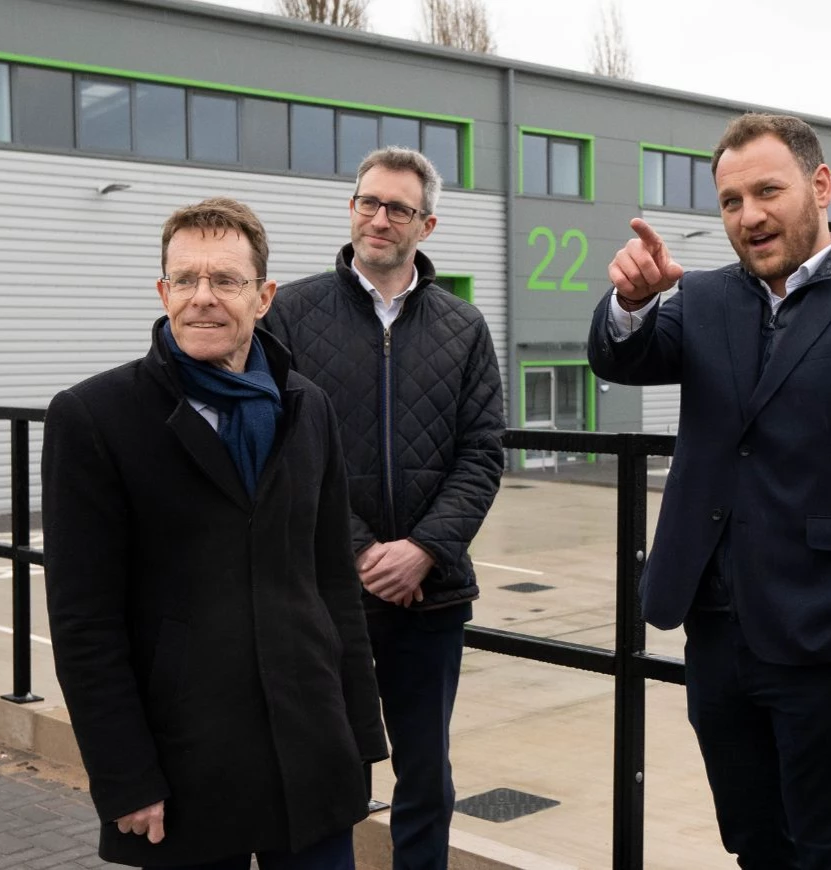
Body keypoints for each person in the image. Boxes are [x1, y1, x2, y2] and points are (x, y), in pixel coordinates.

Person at [588, 112, 831, 869]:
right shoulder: (708, 298)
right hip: (716, 635)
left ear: (820, 186)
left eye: (767, 191)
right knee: (752, 841)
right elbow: (622, 359)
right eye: (729, 201)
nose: (748, 216)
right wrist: (631, 303)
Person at [42, 197, 386, 870]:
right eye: (187, 280)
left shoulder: (305, 407)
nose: (204, 297)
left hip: (310, 748)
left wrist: (359, 733)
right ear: (162, 291)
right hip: (184, 763)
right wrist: (124, 777)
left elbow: (333, 582)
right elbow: (85, 623)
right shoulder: (94, 417)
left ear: (264, 297)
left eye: (225, 280)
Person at [266, 147, 504, 870]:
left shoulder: (463, 327)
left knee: (426, 772)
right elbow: (282, 450)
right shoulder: (291, 314)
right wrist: (363, 552)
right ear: (351, 210)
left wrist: (424, 550)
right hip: (327, 590)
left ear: (425, 225)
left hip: (430, 594)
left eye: (399, 208)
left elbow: (483, 452)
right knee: (329, 763)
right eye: (369, 201)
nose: (380, 217)